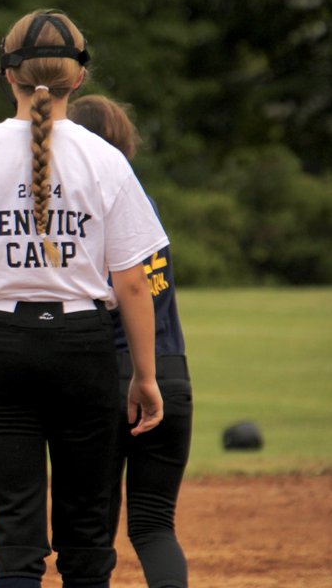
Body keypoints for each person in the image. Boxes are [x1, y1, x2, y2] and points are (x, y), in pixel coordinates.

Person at [0, 10, 166, 588]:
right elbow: (132, 282)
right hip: (82, 346)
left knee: (16, 533)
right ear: (78, 78)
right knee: (86, 532)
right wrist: (145, 376)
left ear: (7, 74)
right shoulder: (107, 160)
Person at [68, 94, 192, 588]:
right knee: (155, 526)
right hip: (172, 372)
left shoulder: (84, 209)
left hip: (113, 376)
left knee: (91, 535)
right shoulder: (146, 203)